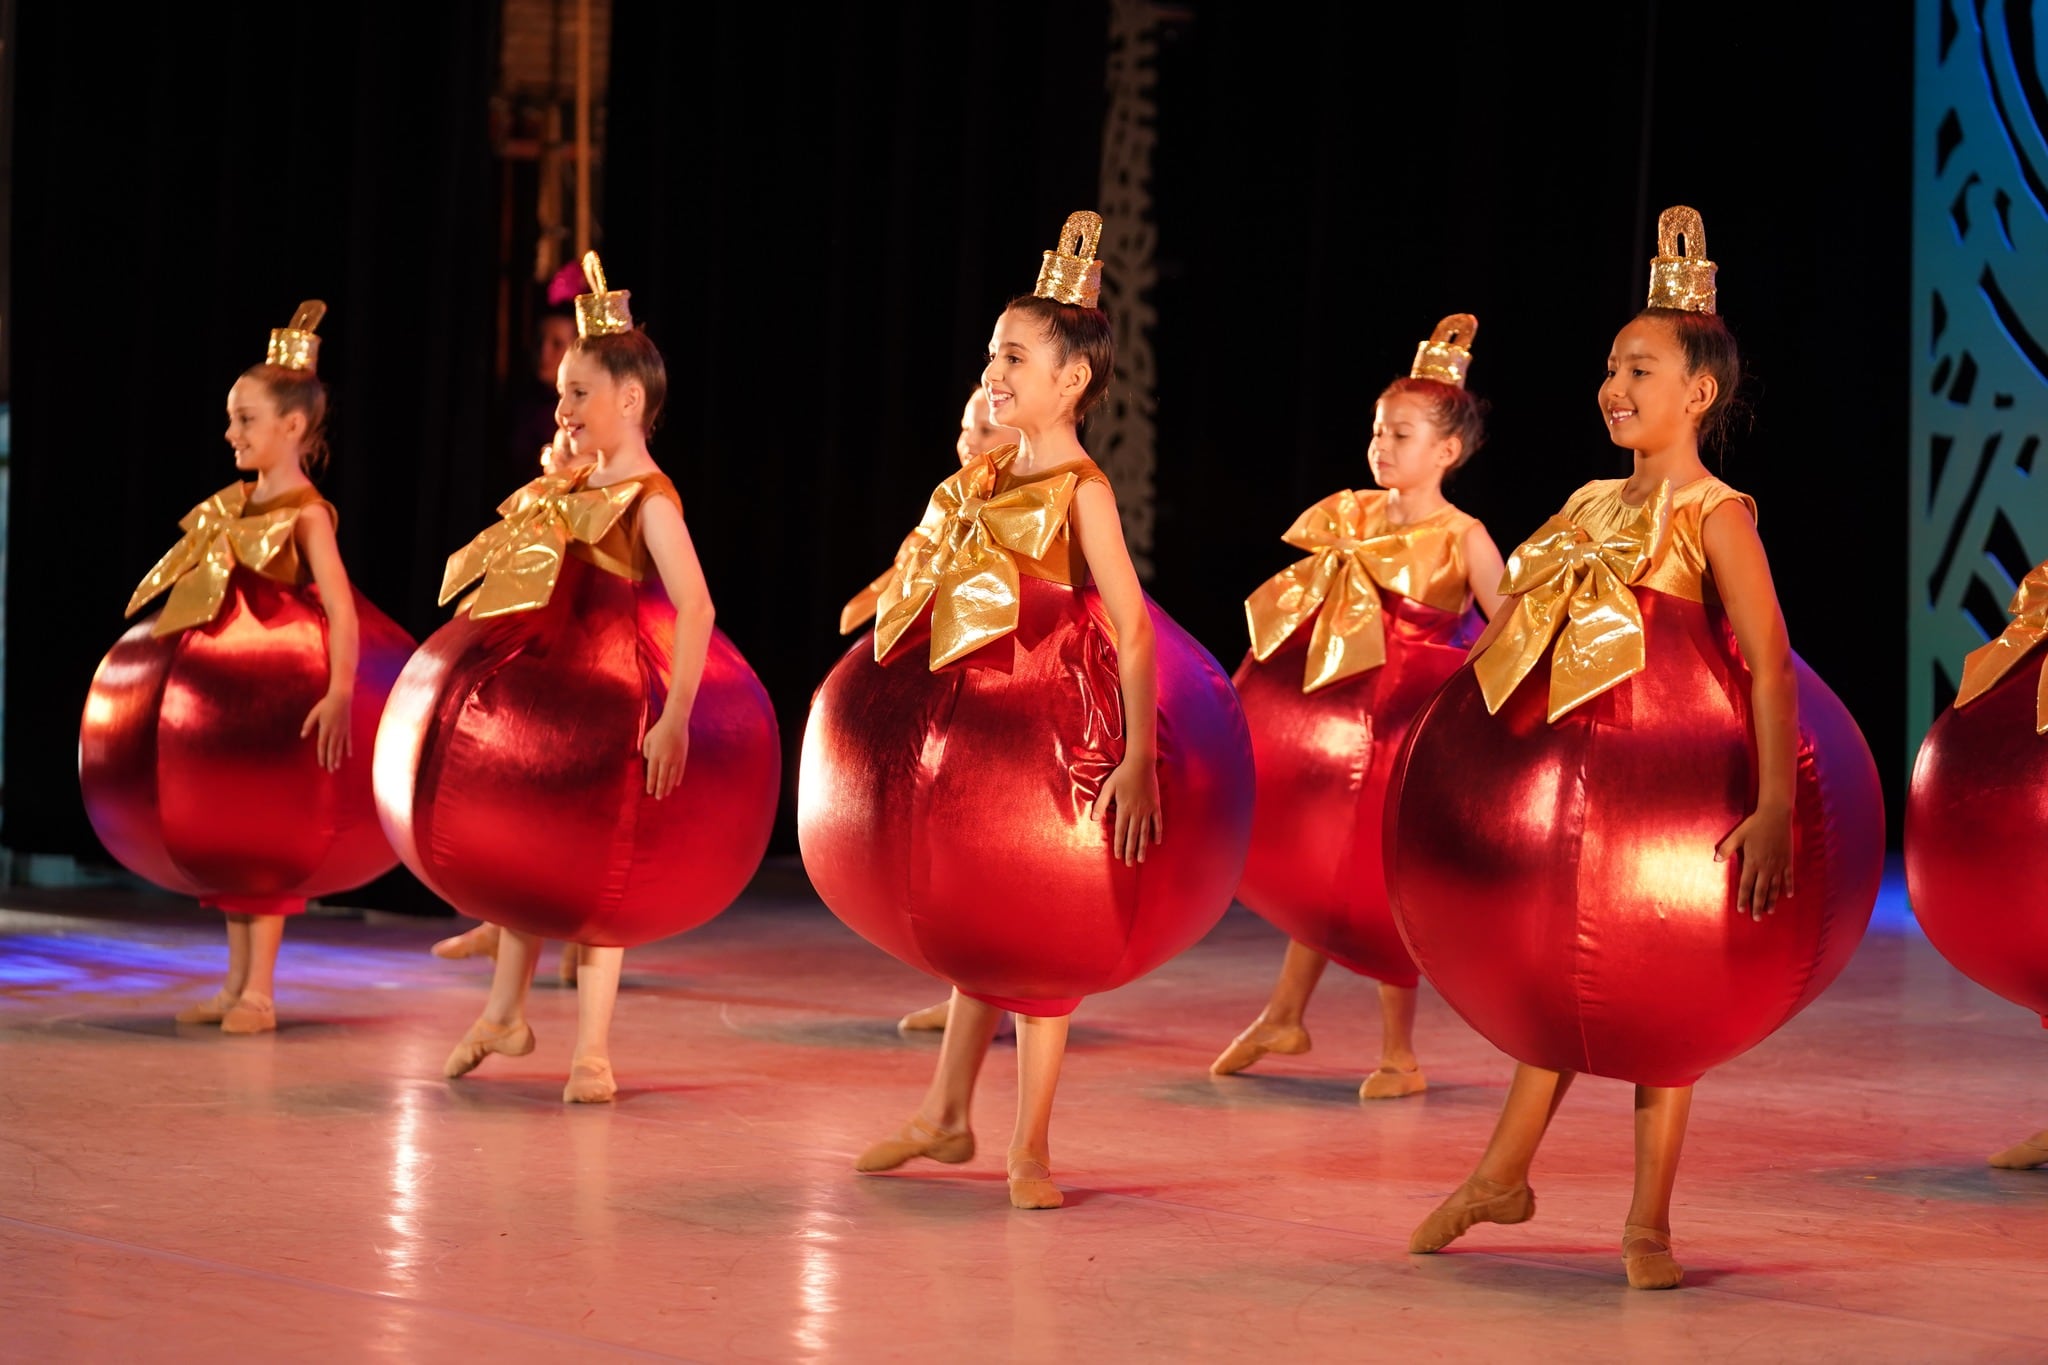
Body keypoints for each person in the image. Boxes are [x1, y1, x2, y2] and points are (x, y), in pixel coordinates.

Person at [1393, 208, 1881, 1289]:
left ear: (1697, 394)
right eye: (1610, 366)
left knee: (1668, 1000)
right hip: (1570, 806)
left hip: (1678, 803)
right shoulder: (1584, 501)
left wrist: (1767, 805)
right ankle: (1499, 1177)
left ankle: (1644, 1227)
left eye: (1641, 369)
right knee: (1559, 969)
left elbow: (1765, 655)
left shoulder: (1714, 515)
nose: (1614, 386)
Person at [799, 212, 1253, 1208]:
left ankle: (1029, 1148)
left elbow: (1130, 628)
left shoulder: (1079, 487)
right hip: (973, 729)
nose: (992, 373)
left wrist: (1135, 757)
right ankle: (945, 1113)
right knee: (976, 908)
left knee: (1043, 926)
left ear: (1071, 382)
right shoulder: (987, 473)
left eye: (1012, 357)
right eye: (990, 354)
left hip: (1055, 730)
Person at [375, 253, 779, 1103]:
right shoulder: (577, 481)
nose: (560, 410)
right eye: (561, 393)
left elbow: (697, 608)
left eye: (576, 394)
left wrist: (673, 718)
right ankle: (503, 1013)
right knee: (534, 836)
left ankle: (591, 1051)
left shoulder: (650, 497)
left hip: (620, 693)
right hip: (558, 685)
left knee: (606, 865)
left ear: (628, 401)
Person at [80, 302, 414, 1034]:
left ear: (291, 427)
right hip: (233, 697)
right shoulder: (234, 506)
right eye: (232, 418)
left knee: (268, 838)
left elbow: (343, 607)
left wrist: (337, 693)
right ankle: (235, 985)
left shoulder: (307, 512)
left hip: (286, 696)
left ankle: (259, 990)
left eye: (245, 419)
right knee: (229, 833)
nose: (231, 433)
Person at [1212, 315, 1504, 1098]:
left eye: (1401, 434)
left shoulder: (1462, 535)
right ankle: (1284, 1011)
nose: (1381, 446)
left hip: (1405, 731)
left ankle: (1400, 1054)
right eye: (1378, 431)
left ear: (1446, 451)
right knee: (1320, 865)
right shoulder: (1358, 516)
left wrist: (1462, 684)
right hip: (1341, 721)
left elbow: (1511, 617)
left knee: (1377, 885)